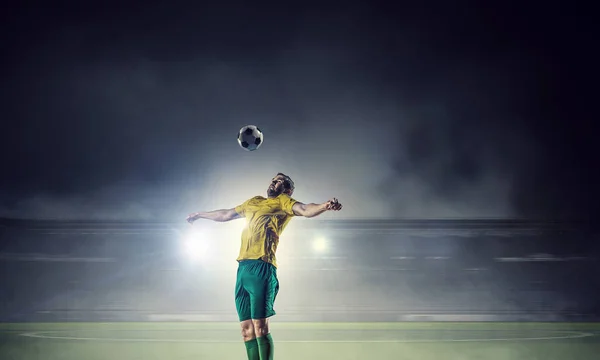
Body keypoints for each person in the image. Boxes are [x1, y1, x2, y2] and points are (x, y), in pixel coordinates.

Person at [186, 173, 342, 360]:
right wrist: (199, 215)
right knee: (246, 330)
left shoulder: (283, 201)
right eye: (273, 180)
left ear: (287, 189)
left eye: (279, 182)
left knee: (260, 327)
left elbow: (304, 209)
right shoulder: (254, 201)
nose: (273, 183)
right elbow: (226, 214)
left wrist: (325, 206)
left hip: (262, 268)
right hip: (243, 269)